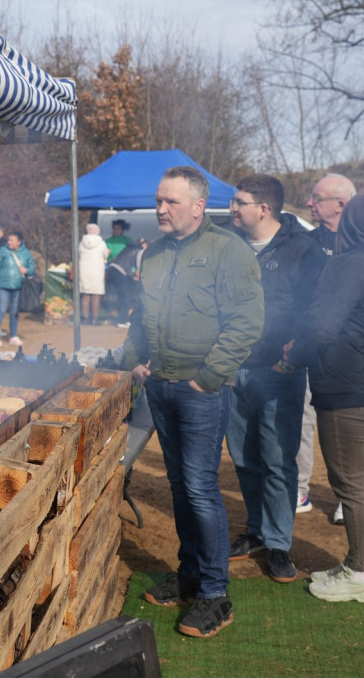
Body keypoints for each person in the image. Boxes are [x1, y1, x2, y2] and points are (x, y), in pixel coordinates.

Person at [119, 166, 264, 639]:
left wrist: (209, 377)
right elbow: (142, 314)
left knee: (201, 487)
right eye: (158, 200)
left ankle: (214, 596)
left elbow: (247, 320)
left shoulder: (228, 249)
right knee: (180, 484)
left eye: (171, 202)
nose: (160, 209)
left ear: (199, 207)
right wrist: (134, 359)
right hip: (160, 385)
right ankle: (189, 575)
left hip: (201, 390)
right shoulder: (155, 253)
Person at [284, 192, 364, 603]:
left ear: (351, 221)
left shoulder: (348, 262)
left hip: (350, 387)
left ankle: (361, 574)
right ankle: (362, 564)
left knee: (351, 484)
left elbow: (321, 325)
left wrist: (292, 357)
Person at [223, 175, 326, 584]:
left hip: (278, 371)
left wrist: (294, 355)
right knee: (245, 458)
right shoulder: (229, 246)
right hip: (233, 369)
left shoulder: (304, 249)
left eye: (239, 202)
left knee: (278, 460)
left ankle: (280, 544)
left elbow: (315, 308)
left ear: (263, 209)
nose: (232, 209)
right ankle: (256, 532)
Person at [298, 174, 357, 522]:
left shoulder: (362, 243)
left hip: (348, 351)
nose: (309, 203)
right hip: (310, 344)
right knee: (303, 418)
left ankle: (345, 498)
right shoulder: (307, 242)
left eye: (317, 198)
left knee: (344, 425)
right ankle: (299, 488)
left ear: (341, 204)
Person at [0, 230, 36, 348]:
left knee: (14, 312)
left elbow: (32, 268)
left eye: (12, 240)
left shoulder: (26, 253)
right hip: (3, 286)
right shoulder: (3, 251)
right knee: (1, 309)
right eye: (9, 240)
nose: (8, 242)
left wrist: (27, 270)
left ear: (19, 242)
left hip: (18, 287)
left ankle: (13, 336)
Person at [105, 238, 147, 328]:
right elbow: (140, 266)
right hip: (119, 270)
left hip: (112, 269)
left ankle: (123, 319)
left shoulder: (129, 248)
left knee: (123, 294)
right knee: (128, 294)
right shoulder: (140, 251)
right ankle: (122, 320)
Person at [77, 222, 110, 325]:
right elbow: (106, 255)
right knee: (96, 296)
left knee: (85, 295)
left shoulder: (81, 243)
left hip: (84, 271)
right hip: (97, 271)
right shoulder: (101, 243)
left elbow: (78, 254)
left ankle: (85, 318)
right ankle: (95, 319)